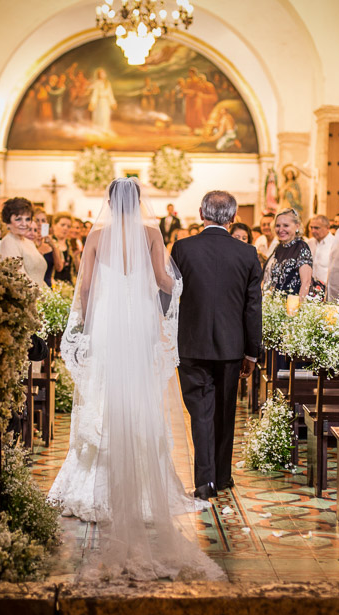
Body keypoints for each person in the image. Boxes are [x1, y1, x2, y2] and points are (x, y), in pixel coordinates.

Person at [50, 177, 223, 581]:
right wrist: (179, 287)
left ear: (109, 202)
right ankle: (147, 486)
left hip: (110, 327)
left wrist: (88, 327)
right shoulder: (149, 233)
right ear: (139, 202)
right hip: (139, 328)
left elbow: (87, 286)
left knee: (104, 396)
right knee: (142, 397)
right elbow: (165, 281)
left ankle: (98, 480)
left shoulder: (96, 237)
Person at [171, 191, 262, 500]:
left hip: (191, 344)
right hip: (231, 347)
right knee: (224, 411)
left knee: (201, 413)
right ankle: (222, 476)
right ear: (234, 218)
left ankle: (205, 481)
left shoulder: (183, 248)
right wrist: (252, 351)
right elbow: (252, 308)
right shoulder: (248, 253)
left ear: (201, 213)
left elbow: (169, 297)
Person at [263, 208, 321, 300]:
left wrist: (298, 309)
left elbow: (306, 282)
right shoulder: (279, 247)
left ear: (297, 226)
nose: (281, 229)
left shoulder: (301, 247)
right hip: (276, 305)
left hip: (292, 305)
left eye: (286, 225)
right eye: (278, 225)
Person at [0, 197, 48, 288]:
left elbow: (39, 277)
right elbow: (18, 278)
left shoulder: (29, 242)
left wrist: (50, 295)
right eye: (18, 219)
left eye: (28, 219)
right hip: (26, 298)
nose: (24, 224)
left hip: (39, 297)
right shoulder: (8, 242)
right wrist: (42, 295)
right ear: (8, 221)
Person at [305, 214, 335, 287]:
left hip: (327, 288)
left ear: (327, 227)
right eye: (311, 227)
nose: (313, 231)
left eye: (316, 228)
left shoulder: (335, 243)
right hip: (311, 287)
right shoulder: (310, 243)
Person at [88, 68, 116, 133]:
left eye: (103, 73)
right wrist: (92, 103)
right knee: (99, 115)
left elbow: (110, 93)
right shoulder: (97, 83)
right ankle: (98, 130)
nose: (102, 75)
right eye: (101, 74)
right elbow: (95, 94)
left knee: (105, 115)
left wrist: (113, 103)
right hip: (99, 102)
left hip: (106, 102)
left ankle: (104, 130)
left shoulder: (107, 83)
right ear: (99, 75)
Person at [50, 213, 75, 283]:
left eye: (68, 226)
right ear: (54, 225)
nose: (65, 228)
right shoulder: (48, 242)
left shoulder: (70, 244)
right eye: (62, 225)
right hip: (53, 284)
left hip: (68, 284)